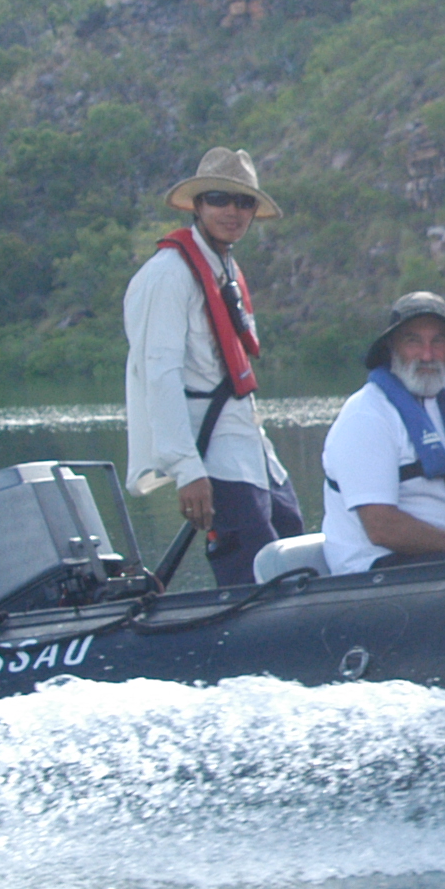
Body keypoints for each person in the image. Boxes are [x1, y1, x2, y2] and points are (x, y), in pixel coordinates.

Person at [123, 147, 300, 586]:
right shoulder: (169, 274)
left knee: (292, 535)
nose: (232, 211)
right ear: (199, 205)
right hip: (213, 454)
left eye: (244, 202)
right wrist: (187, 470)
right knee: (251, 565)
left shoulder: (224, 268)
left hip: (249, 446)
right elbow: (158, 374)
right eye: (219, 199)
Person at [319, 292, 445, 576]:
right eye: (413, 341)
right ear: (392, 348)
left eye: (438, 341)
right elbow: (381, 527)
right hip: (377, 570)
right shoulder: (366, 414)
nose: (427, 354)